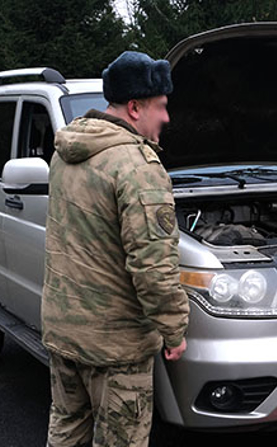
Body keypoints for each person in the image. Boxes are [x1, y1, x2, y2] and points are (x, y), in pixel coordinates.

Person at [42, 51, 189, 447]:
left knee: (66, 430)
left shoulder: (66, 151)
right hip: (116, 344)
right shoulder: (138, 166)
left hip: (64, 329)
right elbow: (153, 266)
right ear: (135, 107)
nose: (167, 118)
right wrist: (174, 331)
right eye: (161, 107)